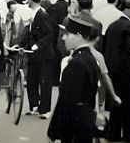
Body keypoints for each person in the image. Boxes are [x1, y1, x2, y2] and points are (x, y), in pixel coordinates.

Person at [48, 15, 116, 143]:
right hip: (82, 126)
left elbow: (67, 101)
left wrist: (52, 131)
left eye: (67, 34)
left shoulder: (77, 63)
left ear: (78, 36)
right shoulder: (89, 58)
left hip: (74, 128)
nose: (63, 37)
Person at [103, 0, 130, 143]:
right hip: (128, 72)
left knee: (116, 103)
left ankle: (114, 133)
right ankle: (129, 135)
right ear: (125, 9)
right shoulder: (129, 27)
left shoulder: (112, 25)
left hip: (113, 70)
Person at [21, 0, 55, 119]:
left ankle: (45, 109)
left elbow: (50, 34)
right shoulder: (33, 14)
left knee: (44, 82)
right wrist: (19, 46)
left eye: (28, 0)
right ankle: (34, 105)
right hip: (33, 53)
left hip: (44, 54)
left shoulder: (43, 14)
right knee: (32, 80)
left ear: (31, 1)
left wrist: (38, 45)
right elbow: (28, 33)